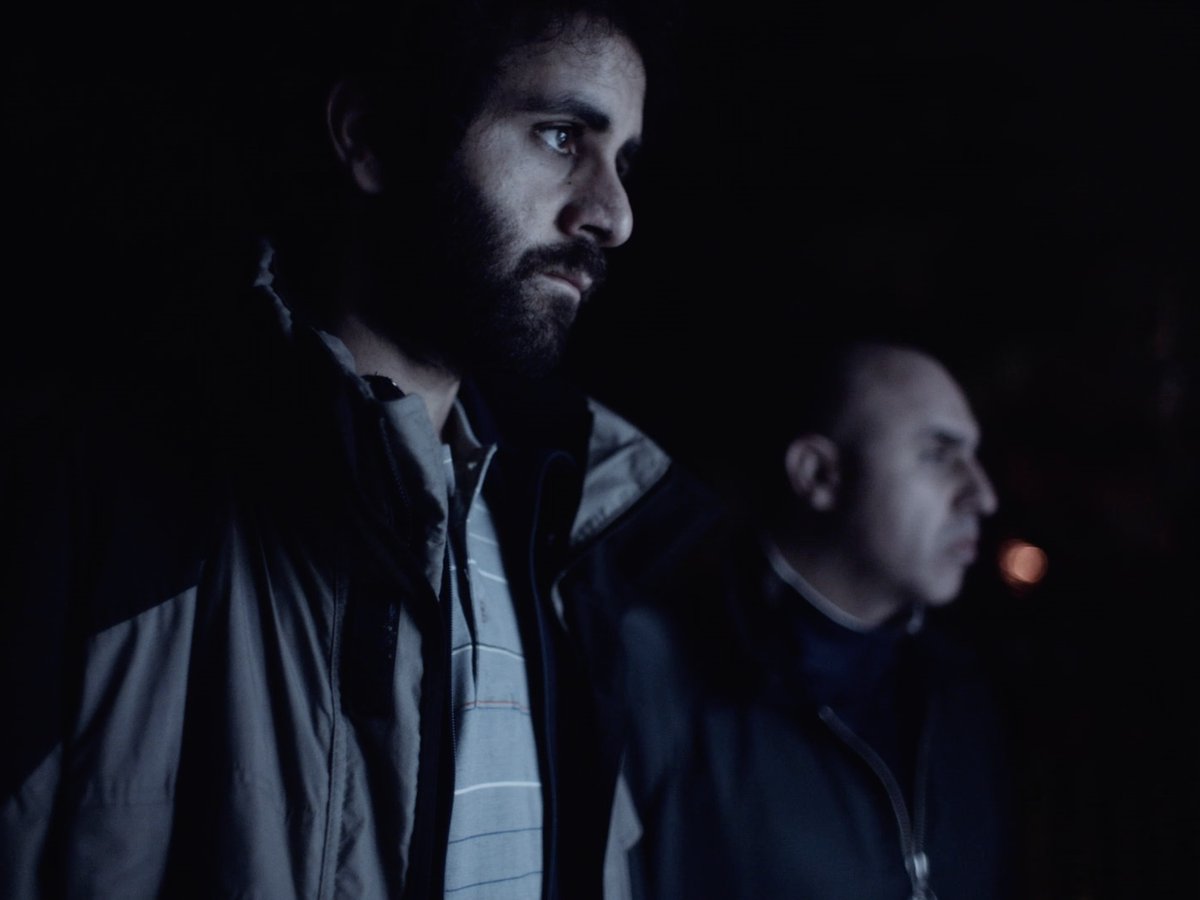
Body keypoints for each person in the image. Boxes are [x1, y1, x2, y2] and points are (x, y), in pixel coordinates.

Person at [0, 3, 721, 897]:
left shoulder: (570, 536)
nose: (613, 215)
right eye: (561, 135)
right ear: (372, 140)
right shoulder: (117, 491)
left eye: (623, 162)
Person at [621, 338, 1014, 899]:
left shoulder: (958, 692)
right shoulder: (658, 670)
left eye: (974, 455)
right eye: (938, 454)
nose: (983, 495)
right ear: (818, 474)